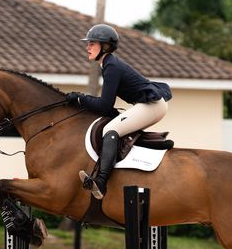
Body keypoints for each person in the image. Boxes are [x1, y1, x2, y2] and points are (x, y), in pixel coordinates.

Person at [66, 24, 172, 200]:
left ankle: (100, 181)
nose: (87, 47)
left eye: (92, 43)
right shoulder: (108, 64)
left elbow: (104, 106)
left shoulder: (111, 67)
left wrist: (80, 98)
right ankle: (150, 145)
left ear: (105, 46)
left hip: (153, 106)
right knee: (115, 123)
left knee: (110, 130)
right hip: (148, 104)